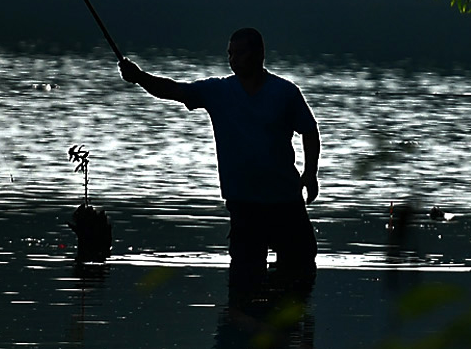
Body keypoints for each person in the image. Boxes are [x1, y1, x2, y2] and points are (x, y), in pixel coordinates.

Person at [121, 28, 321, 306]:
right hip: (243, 201)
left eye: (239, 53)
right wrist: (139, 77)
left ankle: (288, 330)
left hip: (284, 198)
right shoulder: (218, 91)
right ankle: (244, 333)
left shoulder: (284, 92)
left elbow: (310, 131)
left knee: (301, 261)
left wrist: (310, 173)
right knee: (245, 275)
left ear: (259, 55)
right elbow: (174, 90)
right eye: (229, 53)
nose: (233, 59)